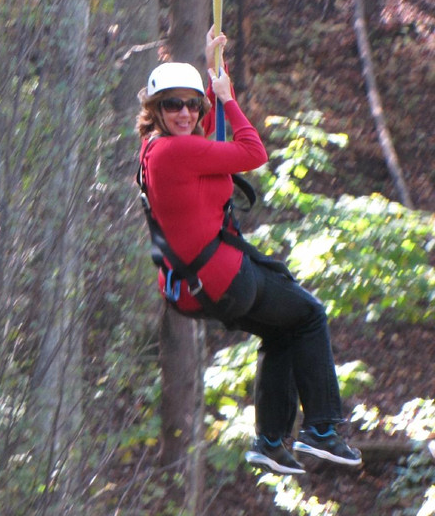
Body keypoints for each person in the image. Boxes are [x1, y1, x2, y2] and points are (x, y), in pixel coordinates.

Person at [136, 29, 361, 475]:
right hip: (224, 277)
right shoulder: (177, 153)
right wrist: (226, 99)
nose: (185, 112)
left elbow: (208, 132)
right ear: (156, 109)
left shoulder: (154, 150)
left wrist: (215, 69)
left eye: (191, 104)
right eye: (173, 105)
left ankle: (271, 442)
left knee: (281, 332)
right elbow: (251, 151)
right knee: (309, 315)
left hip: (192, 290)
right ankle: (321, 429)